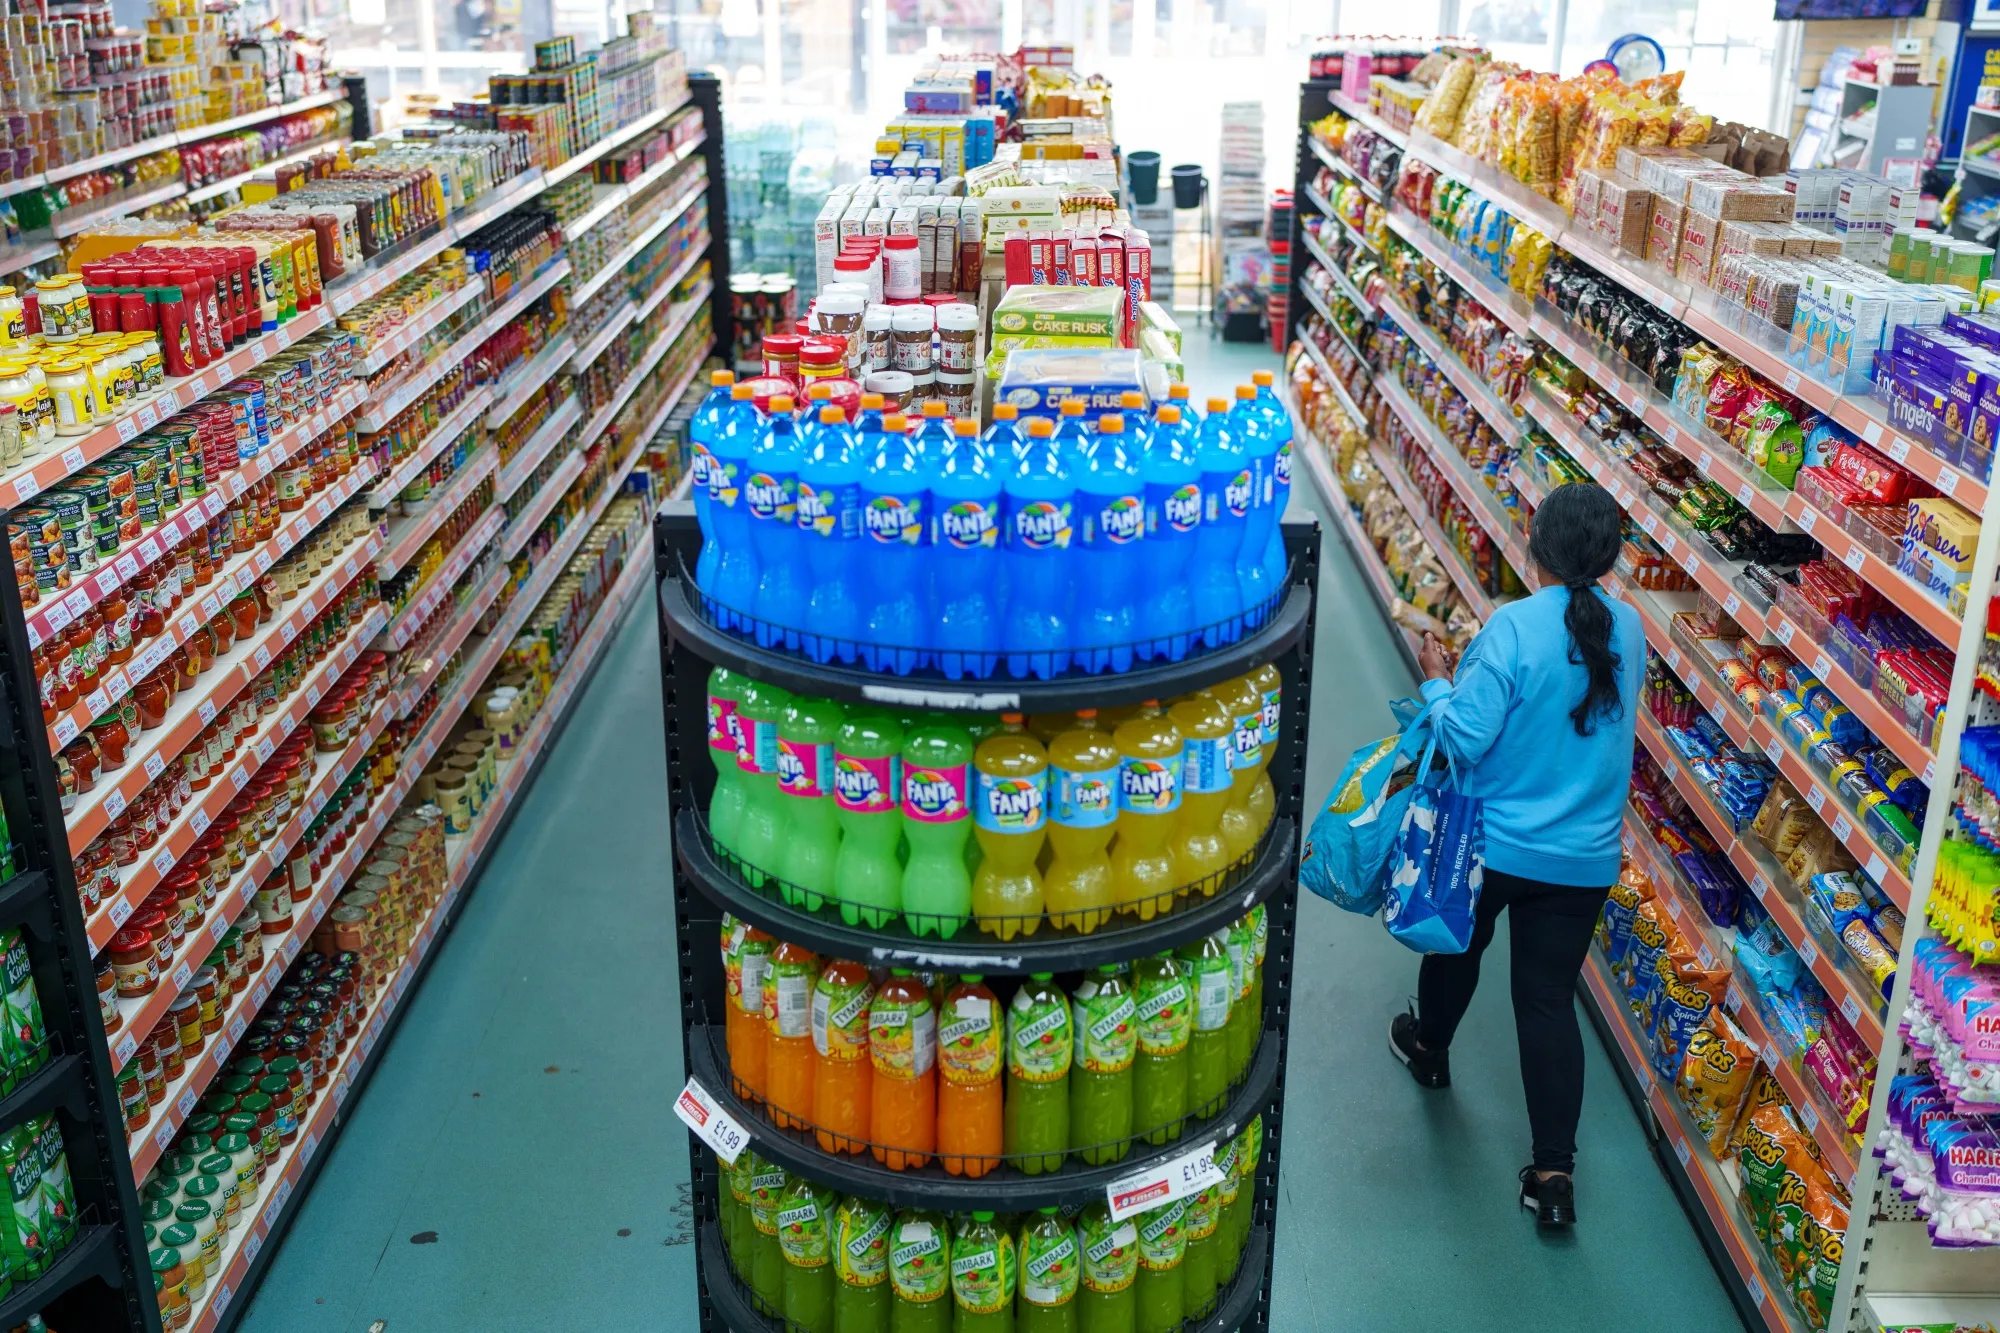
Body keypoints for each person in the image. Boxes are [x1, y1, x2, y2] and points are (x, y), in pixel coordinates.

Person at [1384, 481, 1642, 1230]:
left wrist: (1436, 676)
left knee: (1458, 946)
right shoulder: (1628, 627)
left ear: (1537, 546)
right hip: (1583, 857)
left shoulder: (1511, 628)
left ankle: (1430, 1047)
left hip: (1493, 843)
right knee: (1546, 1000)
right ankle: (1553, 1174)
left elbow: (1462, 737)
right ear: (1611, 553)